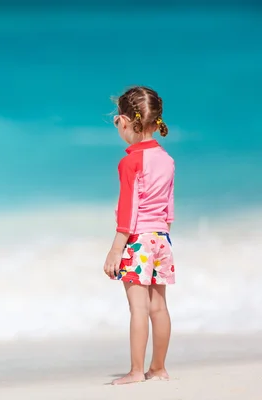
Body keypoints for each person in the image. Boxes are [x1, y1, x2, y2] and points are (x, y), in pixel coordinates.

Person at [103, 86, 175, 385]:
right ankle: (158, 368)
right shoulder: (167, 159)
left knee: (138, 308)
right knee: (159, 307)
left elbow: (128, 210)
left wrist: (116, 250)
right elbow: (168, 209)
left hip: (138, 240)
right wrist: (162, 233)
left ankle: (135, 371)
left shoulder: (130, 161)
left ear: (123, 121)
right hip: (162, 238)